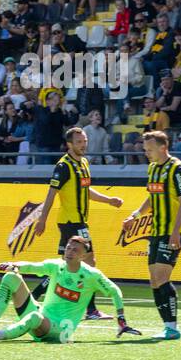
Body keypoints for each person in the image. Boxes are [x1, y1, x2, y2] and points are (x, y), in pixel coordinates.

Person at [28, 126, 125, 319]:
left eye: (85, 141)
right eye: (79, 142)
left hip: (79, 222)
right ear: (69, 144)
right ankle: (90, 310)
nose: (83, 145)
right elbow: (52, 193)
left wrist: (109, 200)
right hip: (71, 222)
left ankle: (34, 296)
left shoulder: (84, 163)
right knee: (87, 263)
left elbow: (86, 191)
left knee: (67, 265)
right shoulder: (64, 166)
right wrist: (42, 219)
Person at [0, 235, 139, 344]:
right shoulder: (56, 266)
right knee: (10, 277)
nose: (70, 252)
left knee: (34, 317)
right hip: (42, 316)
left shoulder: (91, 275)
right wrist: (13, 265)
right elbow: (32, 266)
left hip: (60, 330)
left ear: (83, 256)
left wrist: (121, 320)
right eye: (68, 248)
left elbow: (115, 291)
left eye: (75, 250)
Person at [121, 131, 181, 340]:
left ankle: (172, 327)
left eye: (150, 150)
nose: (147, 154)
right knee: (154, 280)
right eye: (145, 150)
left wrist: (176, 233)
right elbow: (151, 197)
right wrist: (135, 215)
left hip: (172, 233)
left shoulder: (177, 168)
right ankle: (167, 326)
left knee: (161, 277)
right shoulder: (152, 169)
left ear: (163, 147)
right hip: (156, 231)